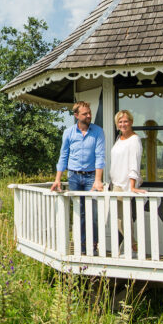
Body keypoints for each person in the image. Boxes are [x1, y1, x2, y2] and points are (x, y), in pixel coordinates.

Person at [50, 101, 105, 251]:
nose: (89, 116)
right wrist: (57, 179)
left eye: (89, 113)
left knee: (92, 212)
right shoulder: (68, 133)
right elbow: (63, 156)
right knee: (80, 212)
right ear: (76, 115)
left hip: (91, 177)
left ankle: (93, 245)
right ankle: (81, 245)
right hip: (74, 176)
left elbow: (100, 156)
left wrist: (98, 180)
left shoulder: (98, 131)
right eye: (85, 114)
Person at [110, 109, 146, 194]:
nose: (122, 124)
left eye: (125, 121)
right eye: (120, 122)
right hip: (115, 184)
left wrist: (132, 187)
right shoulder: (119, 138)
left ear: (131, 122)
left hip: (124, 187)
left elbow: (134, 164)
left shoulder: (134, 140)